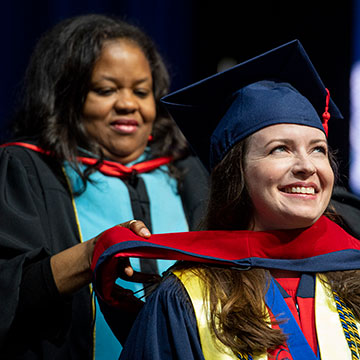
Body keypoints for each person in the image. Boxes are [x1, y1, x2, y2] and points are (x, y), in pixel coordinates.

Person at [91, 40, 360, 359]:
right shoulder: (186, 296)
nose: (307, 166)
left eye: (319, 149)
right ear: (236, 173)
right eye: (280, 149)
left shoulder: (353, 273)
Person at [0, 14, 208, 359]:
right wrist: (91, 253)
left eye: (141, 91)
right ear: (65, 97)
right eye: (105, 90)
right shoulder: (25, 170)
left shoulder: (188, 174)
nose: (128, 104)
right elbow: (10, 290)